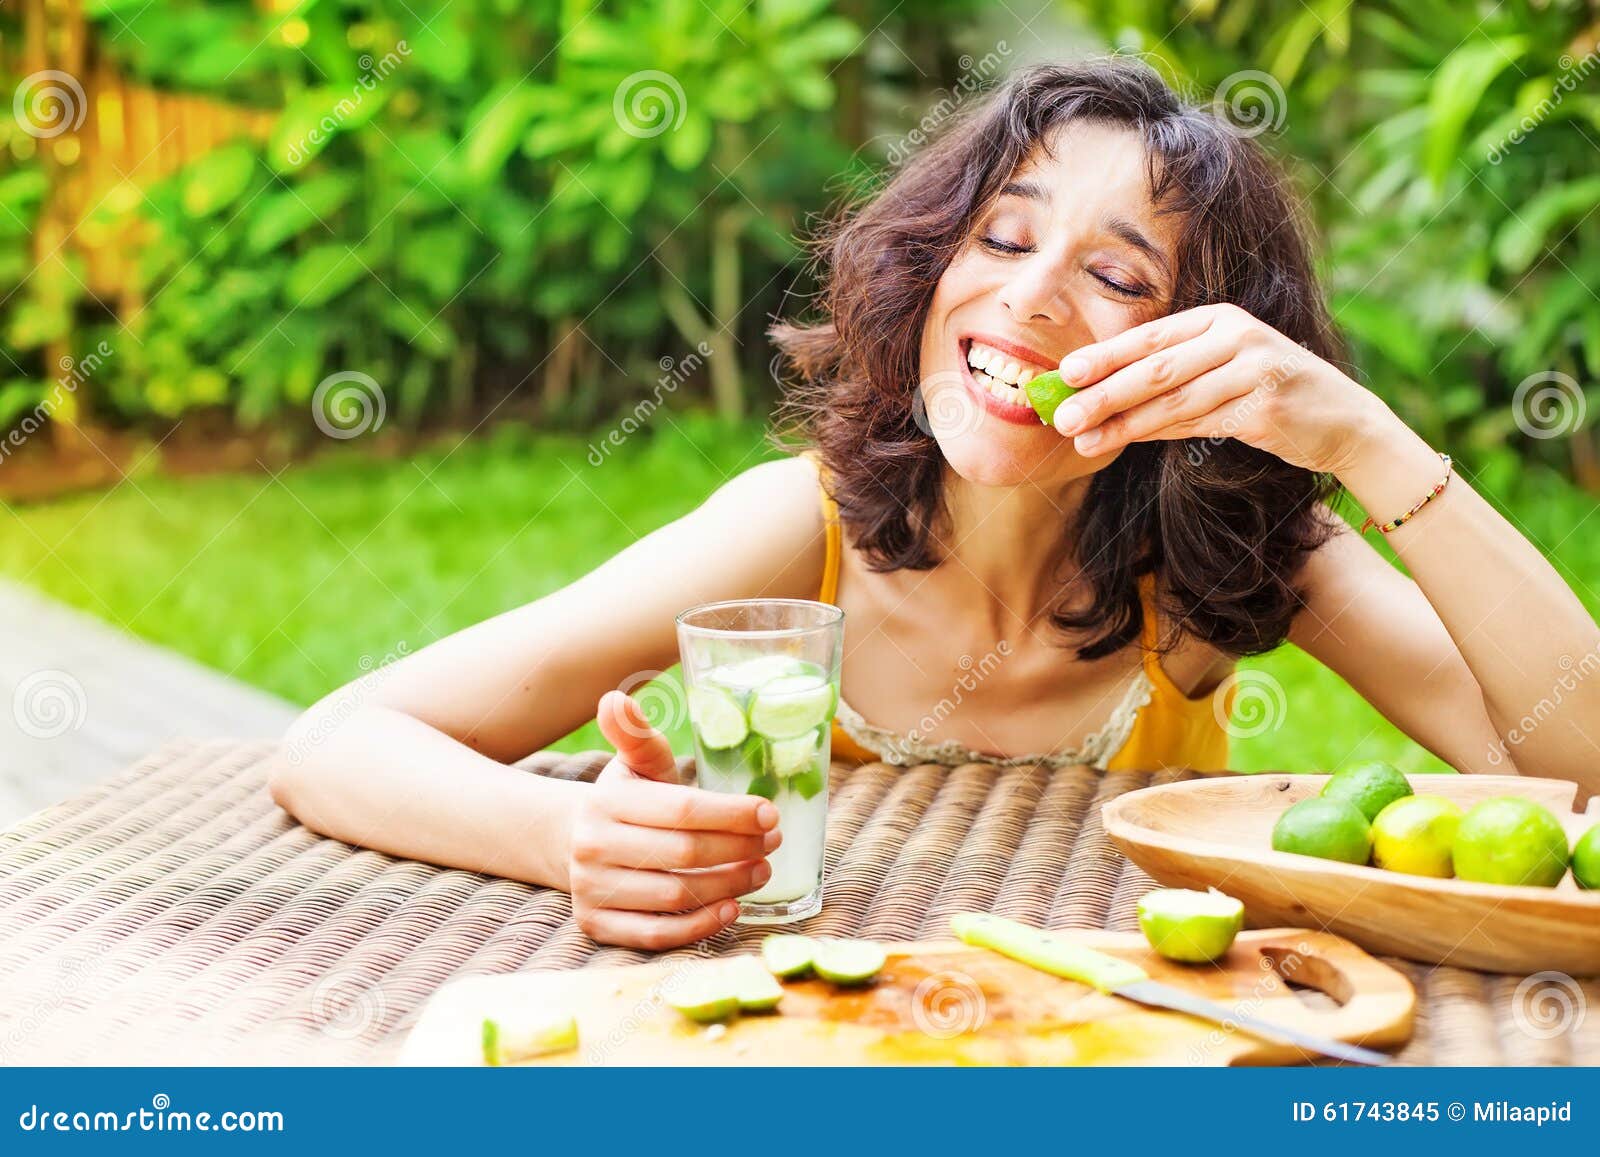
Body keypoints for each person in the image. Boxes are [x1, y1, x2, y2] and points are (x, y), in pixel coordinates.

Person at [271, 59, 1600, 949]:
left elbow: (1579, 763)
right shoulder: (803, 527)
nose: (1028, 300)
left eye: (1120, 277)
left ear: (1206, 345)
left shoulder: (1233, 560)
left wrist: (1366, 442)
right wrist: (572, 830)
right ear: (929, 267)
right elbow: (340, 740)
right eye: (1005, 239)